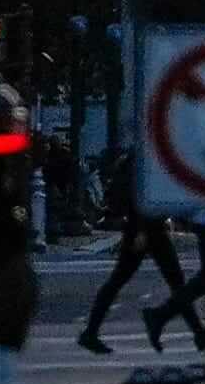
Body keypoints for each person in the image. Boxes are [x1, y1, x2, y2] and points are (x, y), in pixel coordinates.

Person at [78, 149, 197, 354]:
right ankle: (91, 332)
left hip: (148, 226)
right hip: (146, 227)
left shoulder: (143, 153)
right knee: (171, 281)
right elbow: (140, 193)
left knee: (170, 281)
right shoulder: (146, 155)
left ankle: (91, 332)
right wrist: (142, 229)